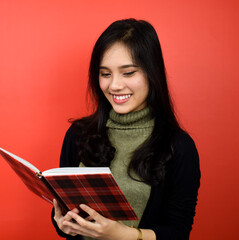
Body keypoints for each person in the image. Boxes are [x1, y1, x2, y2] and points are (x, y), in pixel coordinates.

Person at [51, 18, 201, 240]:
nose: (114, 85)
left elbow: (178, 233)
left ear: (152, 73)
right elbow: (65, 216)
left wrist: (123, 235)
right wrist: (62, 222)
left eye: (128, 73)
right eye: (105, 74)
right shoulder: (77, 135)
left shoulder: (179, 146)